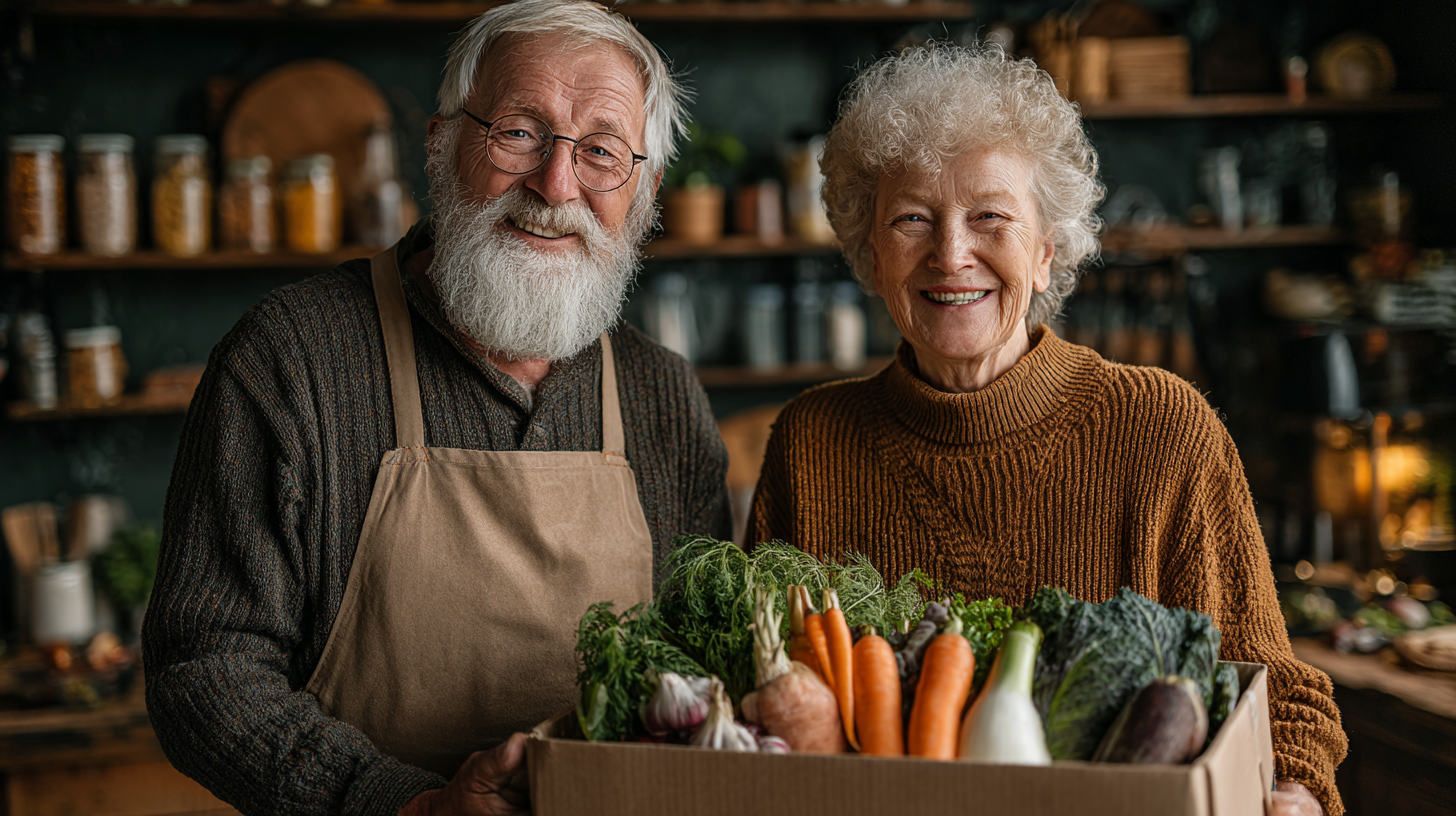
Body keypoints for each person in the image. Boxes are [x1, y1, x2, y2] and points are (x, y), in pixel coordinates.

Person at [143, 1, 729, 813]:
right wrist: (402, 804)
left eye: (600, 151)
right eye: (519, 132)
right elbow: (203, 666)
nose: (555, 186)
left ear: (645, 189)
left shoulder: (663, 395)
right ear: (441, 141)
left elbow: (704, 675)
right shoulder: (291, 360)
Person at [750, 44, 1344, 816]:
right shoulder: (812, 443)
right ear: (871, 250)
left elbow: (1283, 698)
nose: (951, 254)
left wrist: (1292, 790)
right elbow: (759, 699)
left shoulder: (1163, 429)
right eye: (911, 219)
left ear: (1047, 250)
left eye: (989, 216)